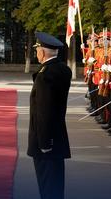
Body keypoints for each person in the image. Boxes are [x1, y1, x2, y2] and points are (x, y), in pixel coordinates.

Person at [27, 32, 72, 199]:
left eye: (37, 49)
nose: (36, 53)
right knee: (55, 183)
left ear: (43, 52)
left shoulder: (45, 75)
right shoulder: (62, 69)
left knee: (47, 185)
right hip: (57, 135)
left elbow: (45, 111)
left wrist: (45, 142)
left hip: (46, 142)